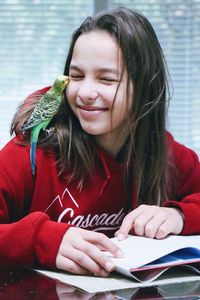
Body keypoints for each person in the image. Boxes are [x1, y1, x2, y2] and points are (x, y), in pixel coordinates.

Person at [0, 7, 200, 278]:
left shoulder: (170, 156)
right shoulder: (32, 151)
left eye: (107, 79)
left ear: (145, 88)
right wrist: (40, 239)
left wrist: (181, 216)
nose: (85, 92)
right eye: (77, 76)